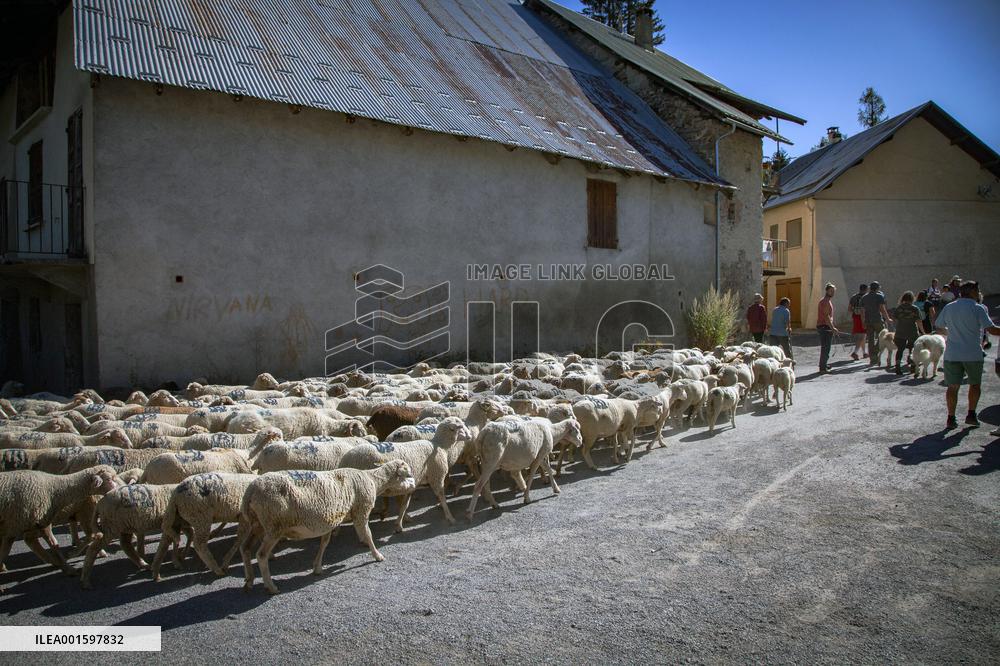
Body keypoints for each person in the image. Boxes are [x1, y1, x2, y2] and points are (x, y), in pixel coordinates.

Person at [934, 281, 1000, 429]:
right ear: (972, 292)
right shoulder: (978, 308)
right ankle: (971, 414)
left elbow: (938, 326)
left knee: (952, 387)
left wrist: (951, 334)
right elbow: (992, 330)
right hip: (972, 354)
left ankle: (951, 418)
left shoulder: (950, 307)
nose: (979, 293)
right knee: (975, 385)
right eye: (978, 290)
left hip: (952, 354)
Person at [861, 281, 893, 367]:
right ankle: (875, 351)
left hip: (868, 321)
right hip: (877, 320)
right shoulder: (879, 296)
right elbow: (882, 309)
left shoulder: (864, 297)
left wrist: (863, 321)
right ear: (878, 288)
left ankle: (873, 358)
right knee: (882, 337)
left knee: (870, 339)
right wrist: (888, 319)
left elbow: (862, 312)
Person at [893, 291, 923, 375]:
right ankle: (913, 366)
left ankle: (898, 366)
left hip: (900, 331)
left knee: (900, 349)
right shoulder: (915, 308)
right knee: (913, 349)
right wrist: (923, 331)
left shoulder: (899, 308)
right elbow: (919, 321)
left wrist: (899, 324)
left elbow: (895, 318)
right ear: (912, 299)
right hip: (912, 331)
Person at [816, 283, 840, 373]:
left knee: (826, 347)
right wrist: (833, 328)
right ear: (827, 290)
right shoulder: (825, 301)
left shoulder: (826, 300)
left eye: (833, 291)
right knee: (826, 348)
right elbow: (826, 317)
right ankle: (822, 368)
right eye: (831, 291)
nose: (833, 292)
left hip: (824, 326)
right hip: (824, 326)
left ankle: (824, 364)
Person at [848, 283, 868, 361]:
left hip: (856, 317)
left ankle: (864, 352)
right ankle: (855, 352)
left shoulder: (854, 297)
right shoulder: (866, 297)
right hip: (863, 317)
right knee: (862, 335)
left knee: (863, 335)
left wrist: (855, 310)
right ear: (866, 289)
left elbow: (849, 309)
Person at [769, 297, 794, 362]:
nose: (789, 305)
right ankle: (789, 363)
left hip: (773, 332)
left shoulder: (775, 309)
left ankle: (774, 363)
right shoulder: (786, 311)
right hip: (782, 333)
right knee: (787, 350)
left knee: (773, 350)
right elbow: (787, 322)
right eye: (788, 303)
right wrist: (789, 329)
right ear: (785, 303)